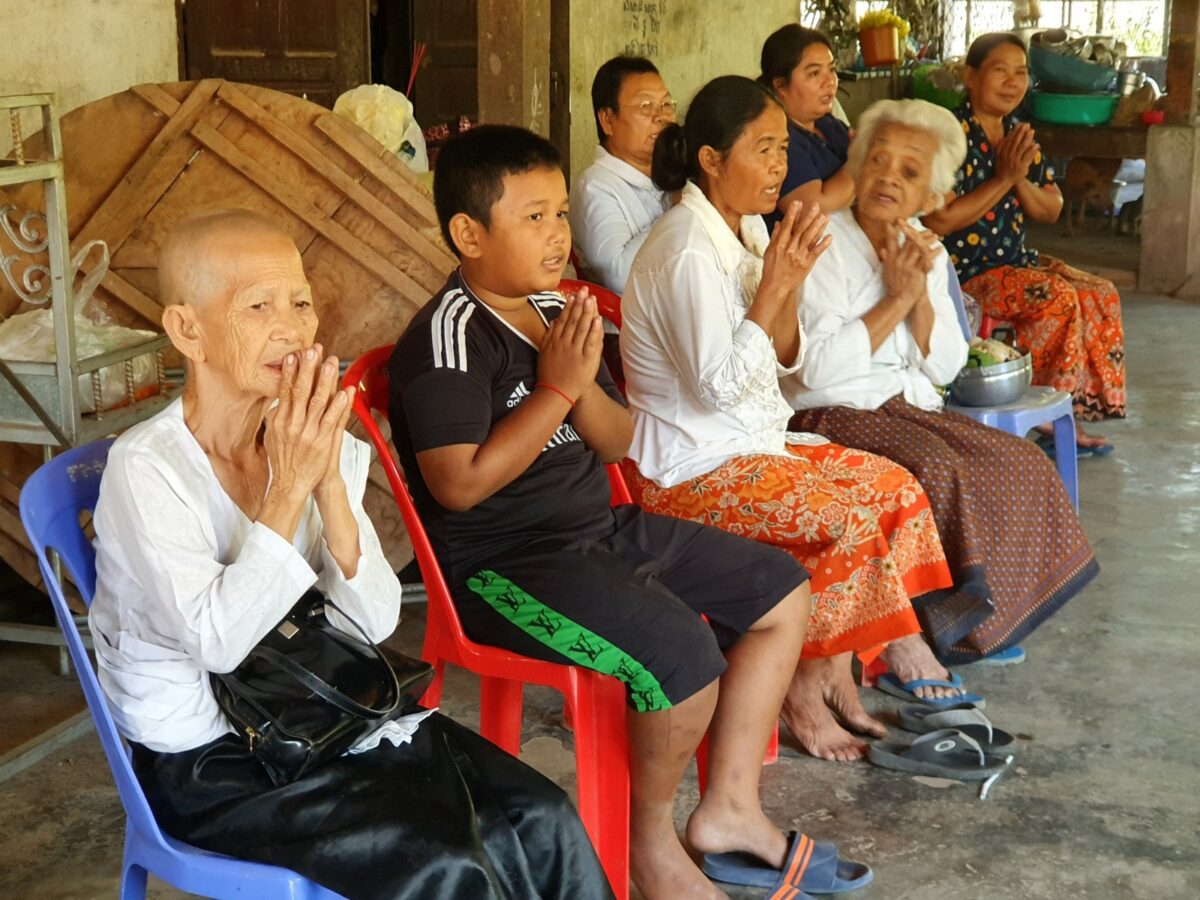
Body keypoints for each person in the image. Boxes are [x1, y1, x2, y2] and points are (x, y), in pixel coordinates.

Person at [87, 210, 615, 900]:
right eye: (258, 306)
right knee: (447, 866)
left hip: (321, 710)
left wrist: (330, 481)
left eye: (300, 303)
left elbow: (373, 619)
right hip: (214, 759)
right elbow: (217, 643)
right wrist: (288, 488)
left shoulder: (300, 434)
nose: (292, 327)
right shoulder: (146, 468)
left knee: (540, 816)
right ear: (188, 330)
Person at [388, 124, 852, 900]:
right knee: (681, 655)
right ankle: (650, 849)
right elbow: (459, 486)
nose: (557, 235)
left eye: (562, 214)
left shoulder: (547, 308)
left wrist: (579, 384)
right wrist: (557, 390)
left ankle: (730, 810)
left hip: (596, 530)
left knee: (779, 591)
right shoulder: (448, 339)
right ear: (468, 234)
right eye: (532, 217)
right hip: (506, 566)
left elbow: (613, 440)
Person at [620, 76, 963, 764]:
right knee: (845, 522)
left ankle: (836, 665)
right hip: (688, 468)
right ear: (712, 160)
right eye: (764, 149)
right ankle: (807, 687)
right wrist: (776, 286)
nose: (780, 166)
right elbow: (716, 389)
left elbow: (783, 359)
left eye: (783, 149)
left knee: (896, 492)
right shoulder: (686, 247)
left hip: (753, 445)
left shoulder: (745, 226)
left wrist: (788, 284)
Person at [782, 98, 1099, 664]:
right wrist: (897, 298)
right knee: (940, 468)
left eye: (909, 171)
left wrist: (918, 302)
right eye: (877, 161)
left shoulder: (925, 246)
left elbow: (946, 366)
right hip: (826, 414)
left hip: (905, 408)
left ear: (931, 195)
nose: (887, 179)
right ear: (855, 167)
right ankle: (948, 628)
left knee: (1019, 460)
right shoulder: (821, 243)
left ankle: (992, 617)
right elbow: (818, 372)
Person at [923, 32, 1126, 453]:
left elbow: (1050, 208)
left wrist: (1015, 178)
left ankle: (1072, 410)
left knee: (1100, 293)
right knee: (1057, 296)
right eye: (1001, 71)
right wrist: (1003, 179)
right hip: (966, 272)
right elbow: (940, 218)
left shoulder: (1019, 134)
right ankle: (1050, 416)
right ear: (971, 77)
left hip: (1015, 262)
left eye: (1021, 73)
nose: (1013, 82)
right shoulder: (948, 133)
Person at [569, 55, 676, 294]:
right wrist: (680, 209)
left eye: (667, 105)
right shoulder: (595, 186)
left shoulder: (669, 177)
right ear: (607, 120)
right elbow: (620, 277)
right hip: (624, 328)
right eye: (645, 106)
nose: (661, 116)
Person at [759, 24, 854, 231]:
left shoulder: (828, 124)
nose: (829, 81)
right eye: (814, 74)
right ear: (780, 86)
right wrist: (865, 158)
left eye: (831, 69)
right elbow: (812, 208)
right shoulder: (780, 140)